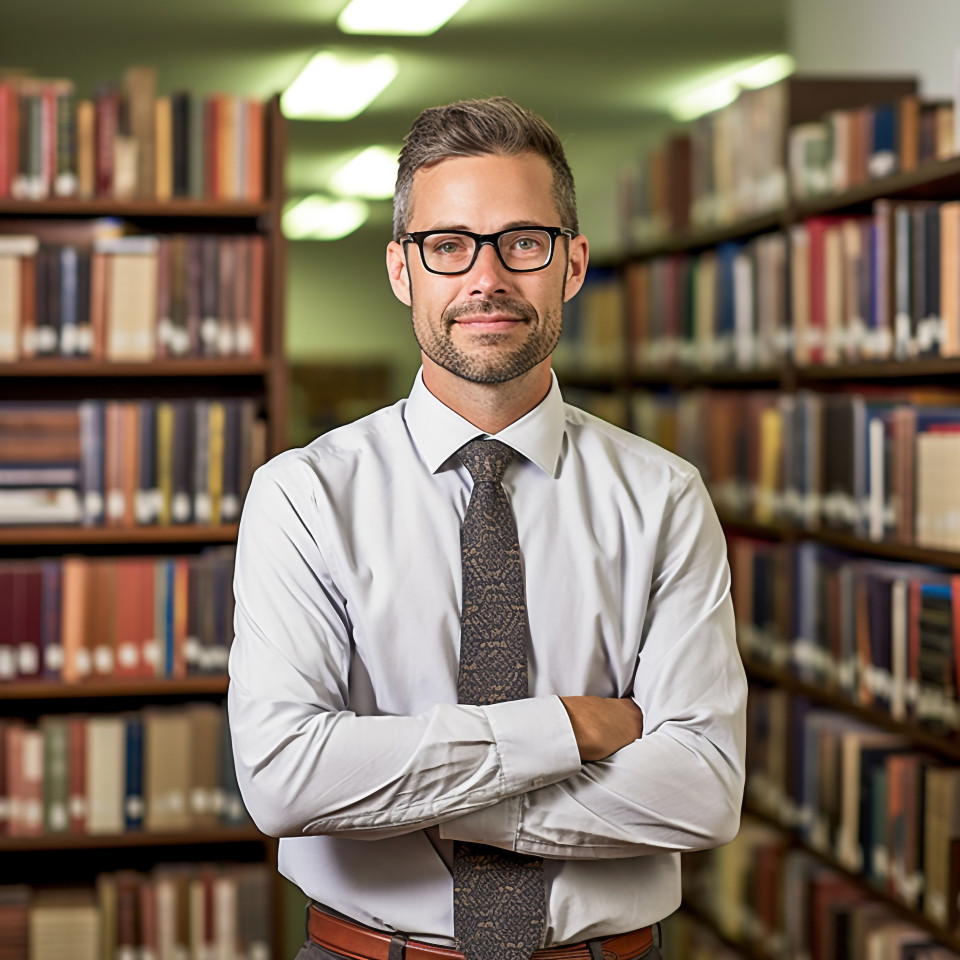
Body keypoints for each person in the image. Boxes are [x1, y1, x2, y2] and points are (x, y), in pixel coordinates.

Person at [227, 96, 747, 960]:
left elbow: (700, 791)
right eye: (448, 245)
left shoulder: (664, 498)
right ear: (402, 270)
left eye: (523, 242)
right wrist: (569, 732)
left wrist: (402, 793)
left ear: (573, 262)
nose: (487, 278)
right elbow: (285, 781)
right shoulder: (303, 497)